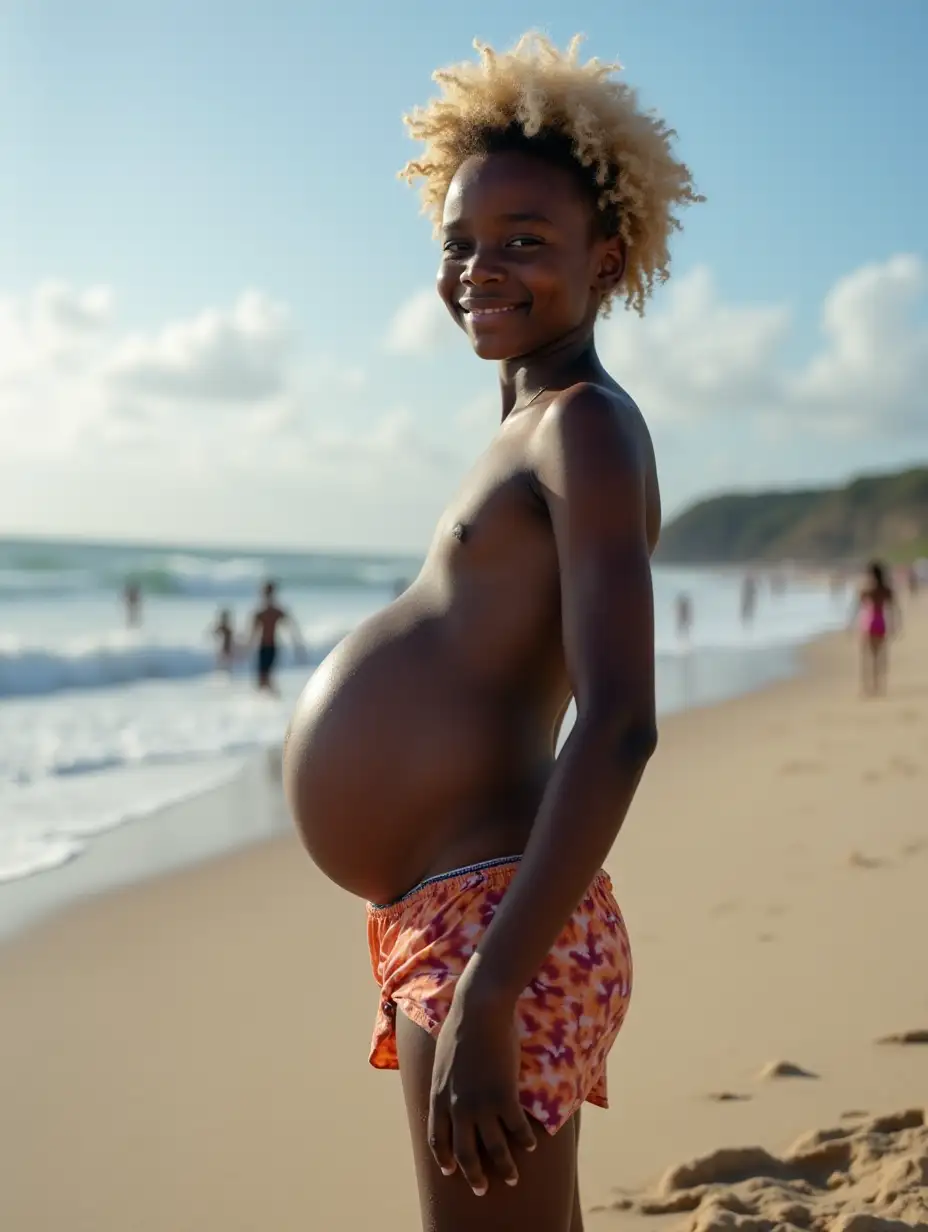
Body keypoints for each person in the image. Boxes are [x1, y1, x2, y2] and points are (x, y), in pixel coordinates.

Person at [283, 33, 700, 1232]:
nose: (481, 267)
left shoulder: (586, 430)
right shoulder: (527, 429)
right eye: (461, 241)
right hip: (460, 910)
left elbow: (620, 725)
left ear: (606, 258)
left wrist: (494, 979)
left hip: (498, 920)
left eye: (525, 240)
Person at [852, 560, 900, 697]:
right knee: (880, 656)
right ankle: (880, 685)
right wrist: (896, 625)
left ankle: (868, 687)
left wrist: (850, 624)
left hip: (868, 622)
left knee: (867, 656)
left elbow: (856, 607)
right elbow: (895, 609)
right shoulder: (886, 589)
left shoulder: (867, 589)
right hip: (880, 622)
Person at [250, 582, 302, 694]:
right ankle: (270, 701)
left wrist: (297, 646)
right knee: (263, 678)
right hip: (265, 646)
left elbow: (291, 629)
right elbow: (252, 634)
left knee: (265, 677)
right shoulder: (263, 613)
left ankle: (272, 701)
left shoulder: (271, 612)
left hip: (270, 646)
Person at [211, 608, 237, 674]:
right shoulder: (222, 626)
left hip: (228, 645)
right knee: (222, 660)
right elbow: (215, 633)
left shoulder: (227, 626)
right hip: (223, 646)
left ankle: (226, 671)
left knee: (227, 661)